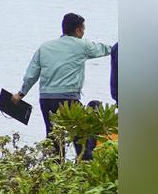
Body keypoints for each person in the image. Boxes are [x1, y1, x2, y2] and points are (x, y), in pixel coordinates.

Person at [12, 12, 113, 150]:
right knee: (79, 136)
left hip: (46, 99)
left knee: (53, 138)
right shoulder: (82, 45)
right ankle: (82, 163)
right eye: (83, 29)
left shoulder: (45, 47)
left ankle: (55, 168)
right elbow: (106, 49)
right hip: (68, 99)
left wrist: (21, 94)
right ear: (77, 30)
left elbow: (31, 75)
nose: (83, 33)